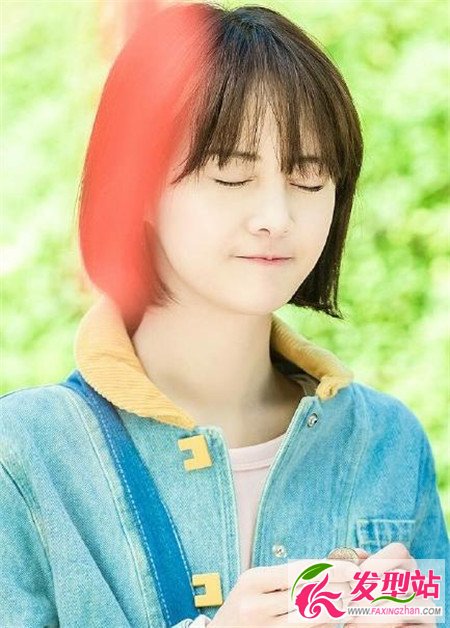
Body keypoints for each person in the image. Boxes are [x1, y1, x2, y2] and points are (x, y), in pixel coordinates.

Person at [1, 2, 448, 627]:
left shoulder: (387, 442)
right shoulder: (25, 452)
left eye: (309, 177)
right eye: (232, 174)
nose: (276, 216)